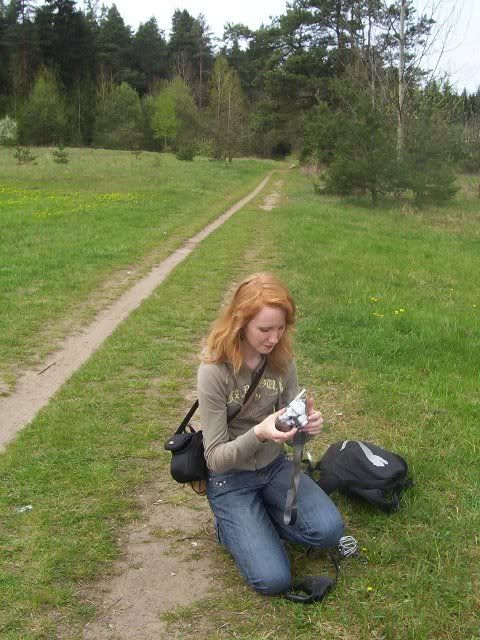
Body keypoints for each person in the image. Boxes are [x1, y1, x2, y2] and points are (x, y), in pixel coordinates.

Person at [197, 272, 344, 596]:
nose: (274, 338)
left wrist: (305, 428)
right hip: (230, 479)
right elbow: (215, 459)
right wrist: (259, 434)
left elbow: (289, 429)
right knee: (273, 579)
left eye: (280, 328)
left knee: (329, 532)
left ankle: (258, 519)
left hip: (274, 467)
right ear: (240, 323)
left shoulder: (282, 362)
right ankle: (229, 527)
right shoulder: (214, 371)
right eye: (264, 329)